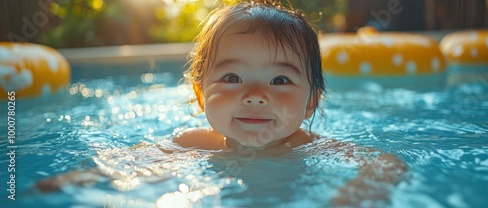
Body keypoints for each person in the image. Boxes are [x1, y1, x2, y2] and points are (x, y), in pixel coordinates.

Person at [36, 0, 407, 206]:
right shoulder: (193, 143)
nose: (256, 94)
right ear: (200, 95)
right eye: (232, 78)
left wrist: (358, 194)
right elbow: (125, 163)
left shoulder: (314, 149)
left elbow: (387, 163)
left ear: (311, 102)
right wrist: (75, 182)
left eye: (281, 80)